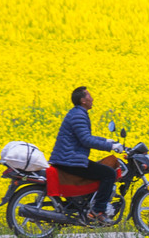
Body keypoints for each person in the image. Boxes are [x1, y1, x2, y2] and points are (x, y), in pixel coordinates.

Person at [48, 87, 127, 222]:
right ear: (83, 100)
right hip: (70, 160)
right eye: (89, 96)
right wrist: (111, 146)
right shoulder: (79, 115)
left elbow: (85, 136)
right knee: (109, 174)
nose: (92, 99)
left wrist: (107, 141)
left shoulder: (77, 113)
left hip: (69, 159)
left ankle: (88, 203)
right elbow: (86, 140)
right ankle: (97, 210)